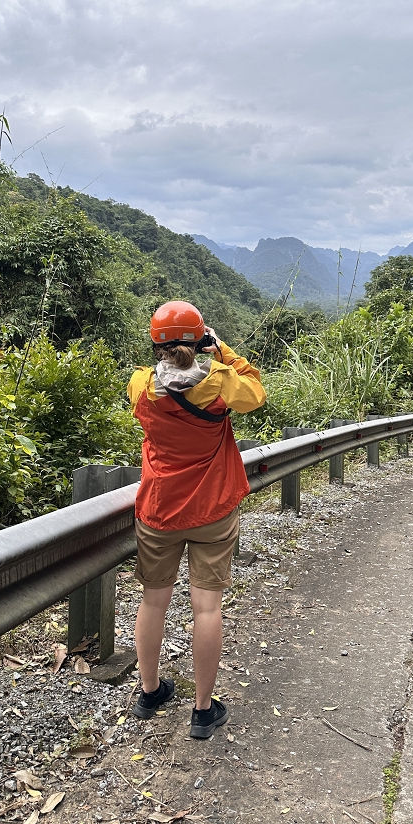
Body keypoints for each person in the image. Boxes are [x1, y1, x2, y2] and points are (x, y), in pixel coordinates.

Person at [126, 301, 266, 739]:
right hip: (211, 509)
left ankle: (150, 693)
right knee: (207, 607)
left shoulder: (141, 384)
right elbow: (256, 393)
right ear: (201, 338)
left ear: (156, 343)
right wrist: (222, 350)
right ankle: (203, 711)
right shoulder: (220, 381)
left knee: (153, 601)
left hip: (160, 509)